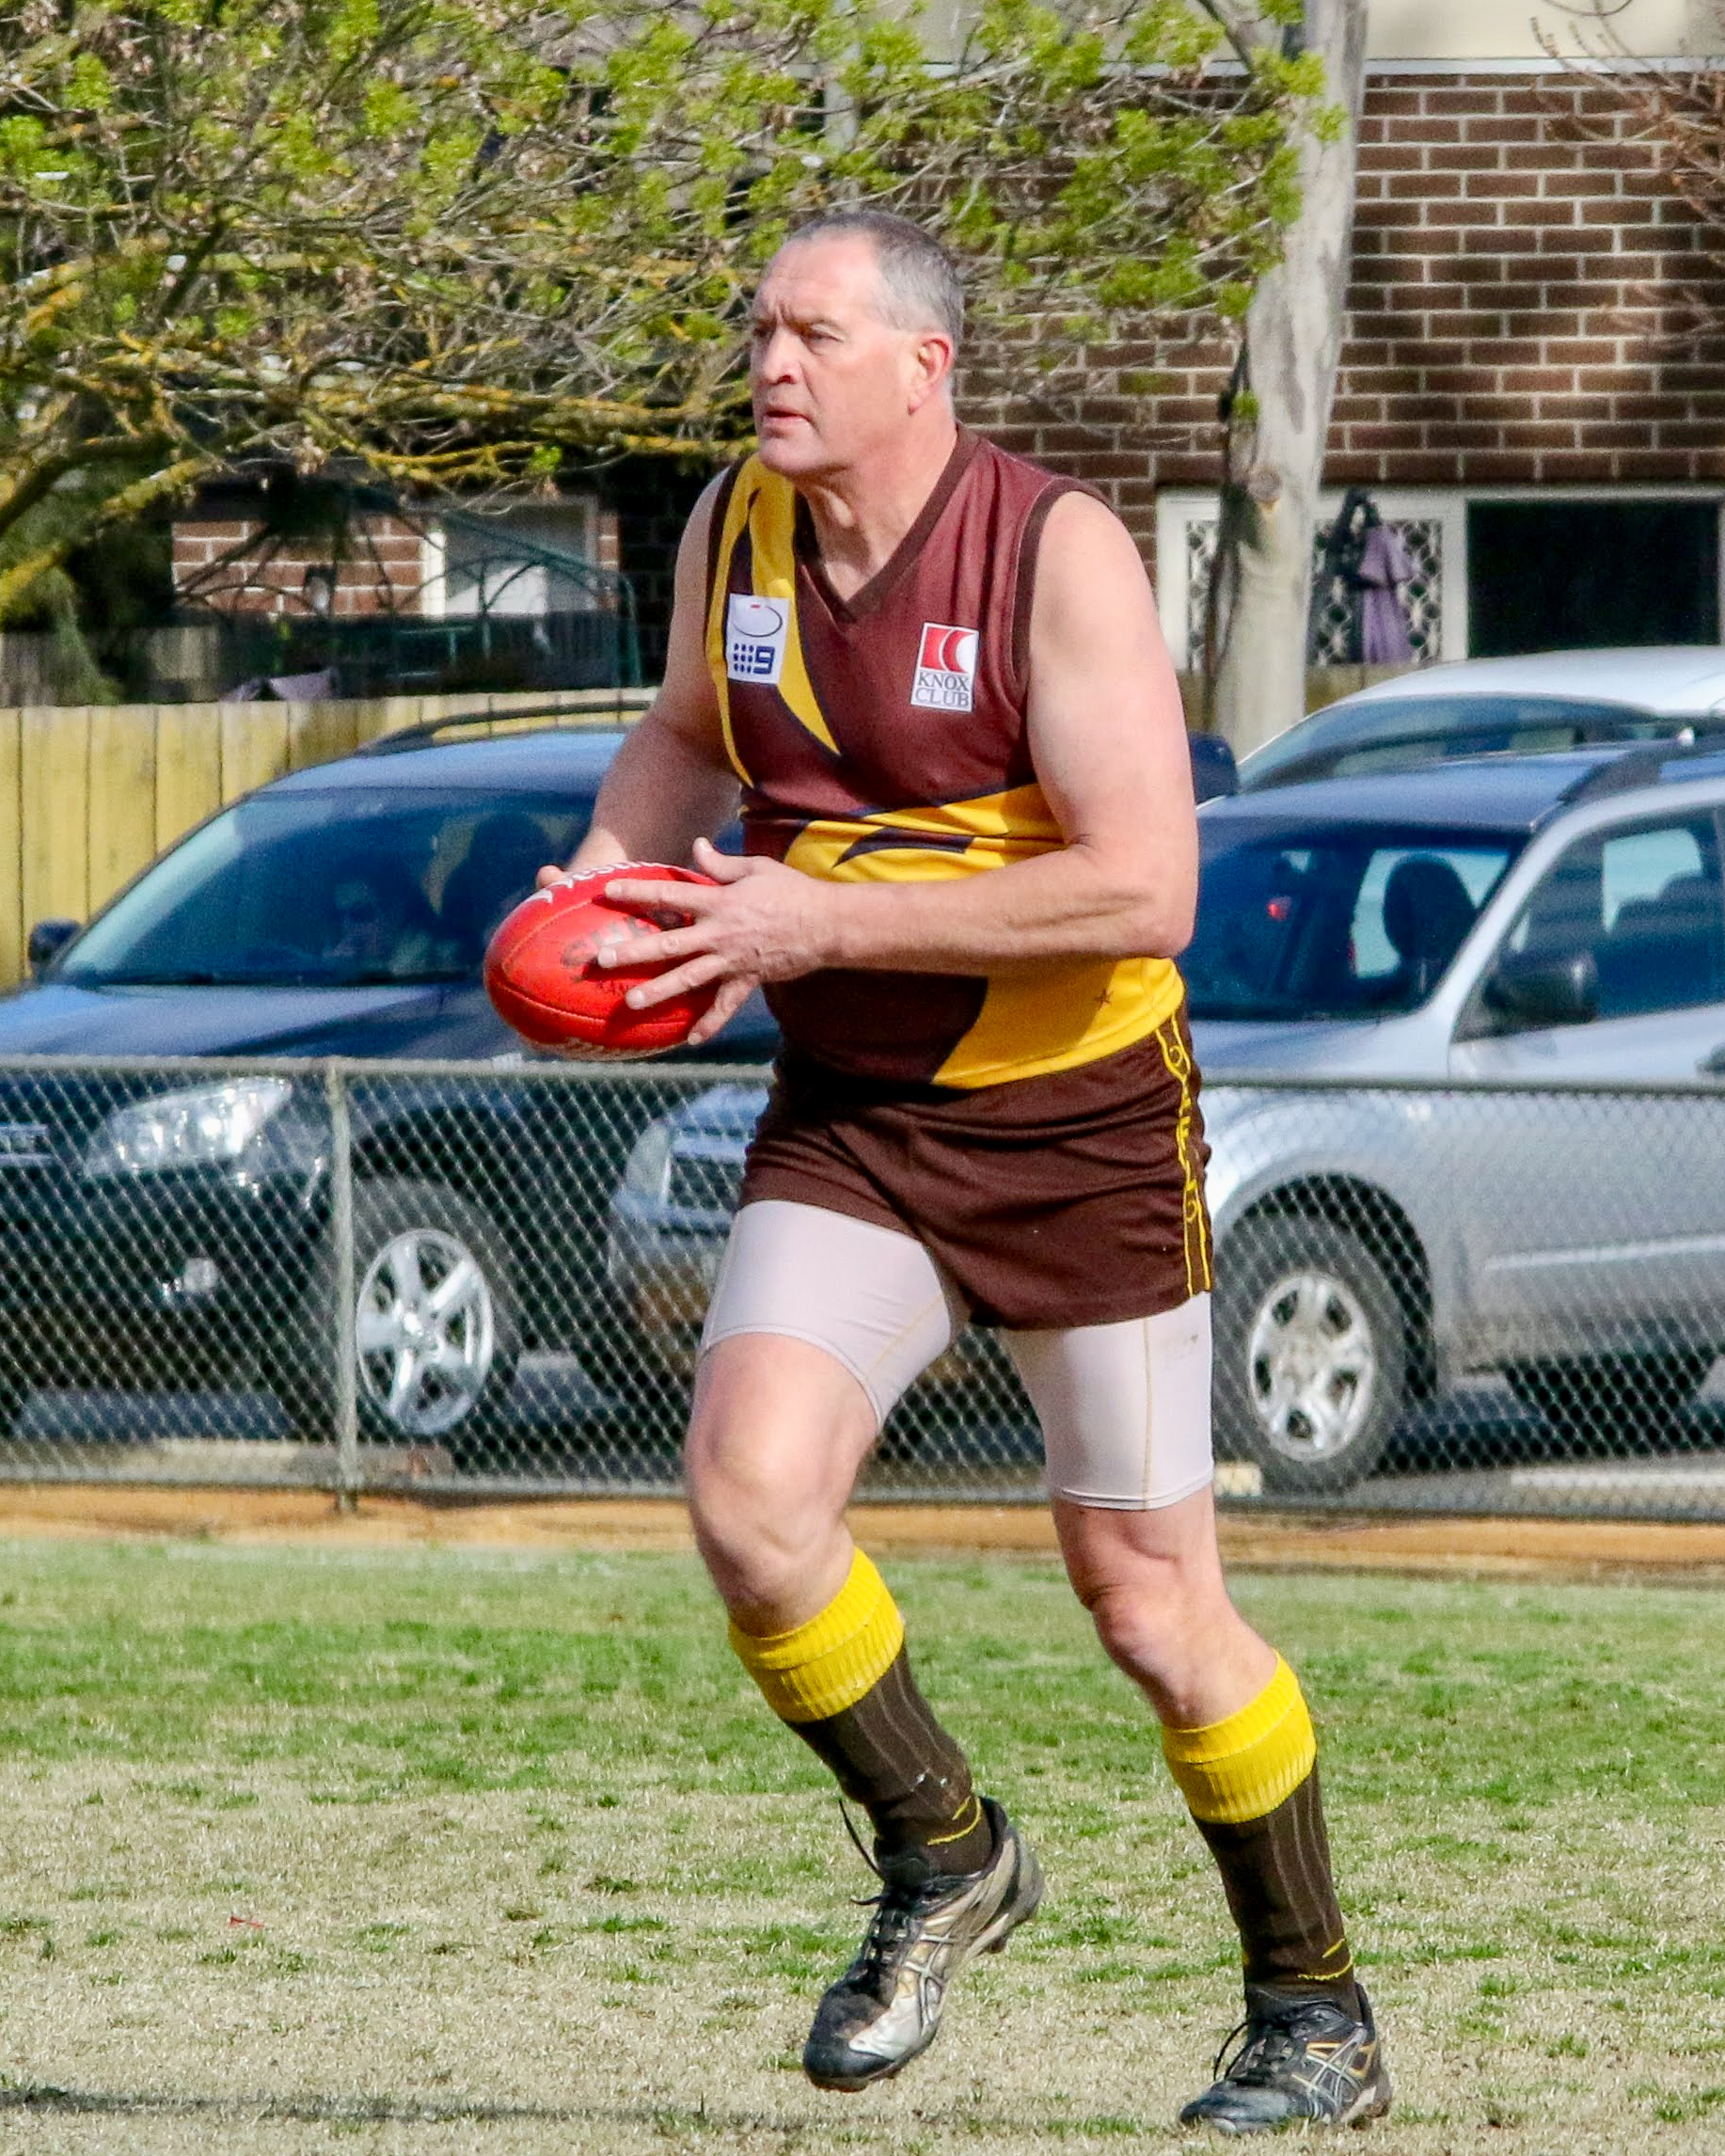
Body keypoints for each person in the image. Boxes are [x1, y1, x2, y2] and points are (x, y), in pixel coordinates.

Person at [544, 209, 1391, 2133]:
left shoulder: (1050, 550)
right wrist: (603, 881)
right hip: (853, 1112)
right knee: (749, 1504)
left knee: (1145, 1602)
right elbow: (681, 739)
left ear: (923, 367)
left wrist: (815, 924)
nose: (769, 362)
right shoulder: (732, 530)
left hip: (1076, 1124)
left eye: (813, 333)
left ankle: (1313, 2011)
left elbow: (1145, 888)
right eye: (759, 328)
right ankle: (942, 1850)